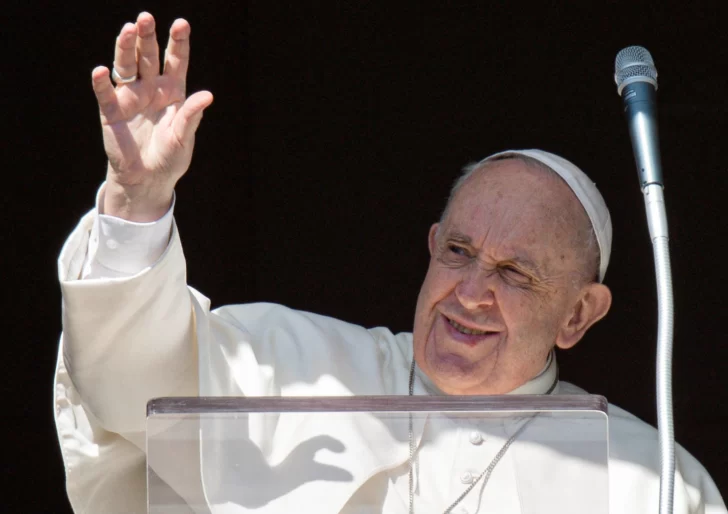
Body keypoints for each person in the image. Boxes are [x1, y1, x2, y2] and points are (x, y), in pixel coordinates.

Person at [54, 11, 725, 514]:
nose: (470, 292)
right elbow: (128, 384)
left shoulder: (650, 481)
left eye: (514, 274)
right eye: (459, 252)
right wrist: (137, 202)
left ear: (578, 314)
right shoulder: (296, 369)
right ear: (432, 244)